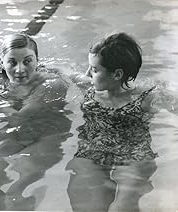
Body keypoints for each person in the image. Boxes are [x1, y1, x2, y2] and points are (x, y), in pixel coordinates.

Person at [65, 32, 169, 212]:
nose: (87, 73)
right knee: (86, 206)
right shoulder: (88, 88)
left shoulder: (145, 97)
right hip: (93, 150)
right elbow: (61, 71)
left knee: (122, 207)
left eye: (95, 70)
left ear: (117, 74)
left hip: (133, 153)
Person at [0, 33, 72, 210]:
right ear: (2, 63)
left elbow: (17, 118)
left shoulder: (51, 84)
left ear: (37, 61)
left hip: (49, 135)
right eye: (12, 62)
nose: (20, 70)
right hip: (19, 135)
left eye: (28, 61)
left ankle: (34, 201)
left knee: (16, 188)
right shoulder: (1, 76)